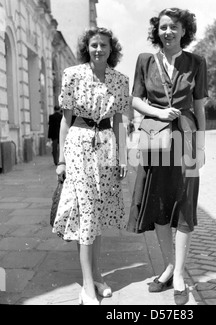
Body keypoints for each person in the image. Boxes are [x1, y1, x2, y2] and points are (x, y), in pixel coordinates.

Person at [127, 8, 208, 305]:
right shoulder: (145, 60)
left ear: (184, 31)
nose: (168, 32)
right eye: (163, 27)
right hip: (155, 140)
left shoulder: (196, 63)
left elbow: (199, 107)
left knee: (185, 204)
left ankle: (178, 275)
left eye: (174, 27)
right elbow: (135, 99)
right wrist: (159, 111)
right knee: (159, 204)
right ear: (156, 31)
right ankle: (170, 266)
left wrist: (200, 147)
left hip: (185, 137)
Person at [52, 27, 130, 305]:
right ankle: (87, 285)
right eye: (94, 45)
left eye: (104, 46)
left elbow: (120, 121)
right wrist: (61, 159)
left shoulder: (120, 81)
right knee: (86, 212)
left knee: (97, 213)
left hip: (106, 146)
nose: (99, 50)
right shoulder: (72, 74)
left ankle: (96, 275)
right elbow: (65, 120)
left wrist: (123, 157)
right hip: (78, 145)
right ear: (88, 48)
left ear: (112, 49)